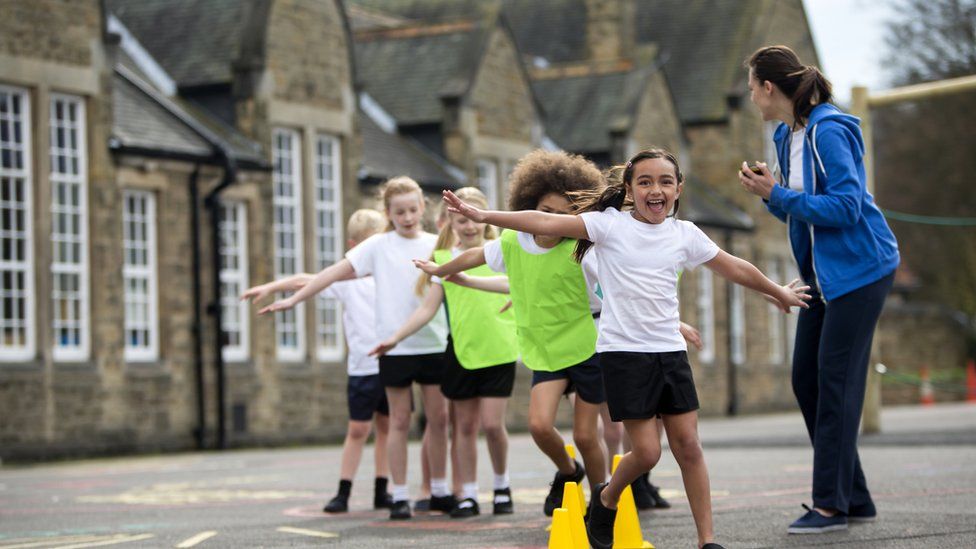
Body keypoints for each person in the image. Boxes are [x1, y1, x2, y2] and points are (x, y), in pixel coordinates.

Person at [438, 148, 810, 549]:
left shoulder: (684, 234)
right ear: (629, 189)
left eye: (665, 182)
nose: (656, 190)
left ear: (678, 188)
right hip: (624, 354)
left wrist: (776, 292)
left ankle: (707, 540)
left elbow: (735, 266)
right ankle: (608, 496)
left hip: (669, 352)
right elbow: (544, 220)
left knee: (688, 446)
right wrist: (484, 215)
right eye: (645, 181)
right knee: (647, 453)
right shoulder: (607, 226)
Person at [740, 45, 899, 534]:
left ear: (770, 87)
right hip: (821, 278)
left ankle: (829, 506)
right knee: (805, 380)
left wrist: (779, 194)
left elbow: (847, 208)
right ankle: (856, 497)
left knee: (835, 384)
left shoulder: (829, 131)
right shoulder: (787, 135)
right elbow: (801, 211)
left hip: (861, 271)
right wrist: (773, 196)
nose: (751, 98)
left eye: (752, 88)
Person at [414, 150, 609, 517]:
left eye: (563, 216)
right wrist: (441, 271)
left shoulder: (584, 253)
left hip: (586, 345)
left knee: (585, 436)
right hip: (546, 349)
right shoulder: (512, 243)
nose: (550, 222)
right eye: (544, 212)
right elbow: (475, 258)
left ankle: (601, 503)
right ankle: (569, 472)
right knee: (538, 426)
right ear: (527, 207)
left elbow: (614, 297)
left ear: (578, 219)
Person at [254, 176, 453, 520]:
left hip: (433, 344)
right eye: (399, 211)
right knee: (399, 422)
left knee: (438, 419)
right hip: (392, 348)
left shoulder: (437, 244)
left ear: (423, 207)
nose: (407, 216)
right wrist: (293, 300)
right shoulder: (377, 246)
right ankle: (400, 496)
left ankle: (438, 490)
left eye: (412, 209)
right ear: (388, 213)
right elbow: (331, 273)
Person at [371, 187, 518, 518]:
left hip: (500, 349)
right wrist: (394, 338)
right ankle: (466, 493)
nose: (467, 227)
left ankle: (502, 486)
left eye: (471, 219)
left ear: (483, 218)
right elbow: (426, 310)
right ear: (449, 222)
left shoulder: (502, 252)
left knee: (493, 425)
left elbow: (523, 287)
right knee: (463, 427)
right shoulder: (443, 261)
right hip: (462, 352)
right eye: (459, 220)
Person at [243, 209, 393, 513]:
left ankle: (382, 488)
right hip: (362, 369)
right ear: (353, 247)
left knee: (388, 429)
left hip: (392, 364)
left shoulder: (390, 277)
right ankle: (344, 491)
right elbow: (306, 281)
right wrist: (272, 287)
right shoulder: (346, 282)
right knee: (358, 430)